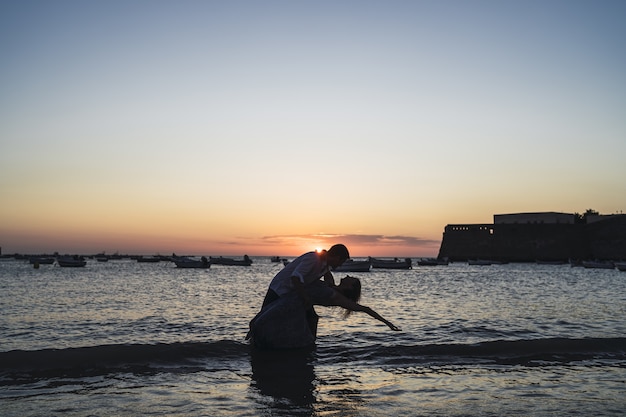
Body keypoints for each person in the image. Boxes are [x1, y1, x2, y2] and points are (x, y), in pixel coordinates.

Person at [248, 275, 401, 349]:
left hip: (290, 307)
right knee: (258, 323)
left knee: (261, 326)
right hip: (287, 301)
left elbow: (365, 309)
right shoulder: (331, 286)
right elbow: (324, 270)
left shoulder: (337, 298)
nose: (347, 276)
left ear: (350, 288)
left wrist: (388, 323)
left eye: (350, 279)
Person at [261, 244, 351, 310]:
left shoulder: (325, 265)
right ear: (337, 258)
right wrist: (305, 297)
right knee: (262, 319)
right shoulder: (313, 259)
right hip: (279, 289)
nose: (340, 265)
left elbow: (327, 275)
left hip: (292, 293)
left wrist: (332, 285)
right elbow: (295, 277)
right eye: (341, 262)